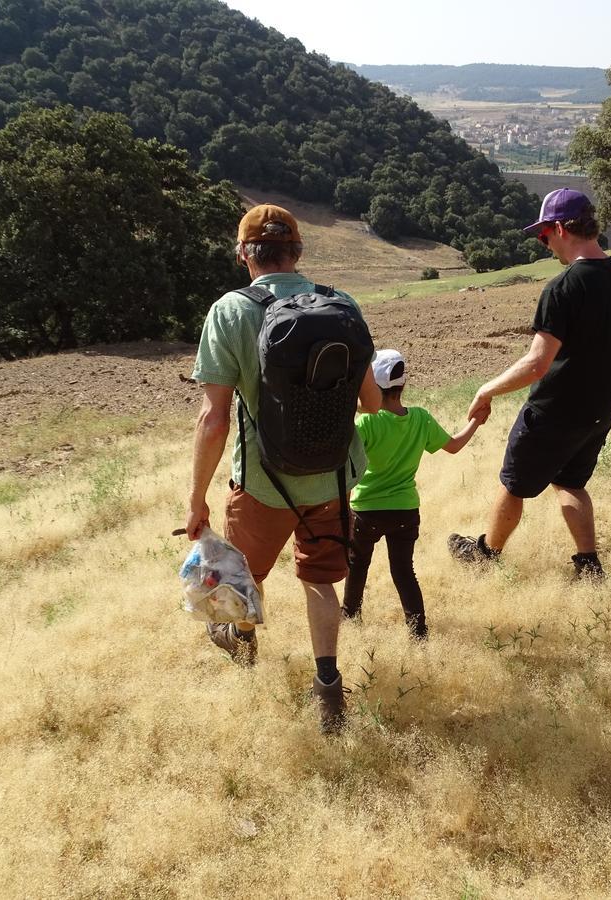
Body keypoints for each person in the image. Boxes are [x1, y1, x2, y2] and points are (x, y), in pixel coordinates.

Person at [185, 203, 381, 733]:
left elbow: (213, 420)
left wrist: (197, 498)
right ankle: (328, 688)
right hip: (335, 480)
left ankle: (242, 639)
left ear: (244, 253)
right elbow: (372, 404)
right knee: (320, 582)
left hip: (263, 485)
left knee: (245, 575)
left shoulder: (229, 311)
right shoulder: (342, 304)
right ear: (297, 251)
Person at [448, 189, 611, 579]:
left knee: (513, 484)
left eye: (544, 235)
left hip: (553, 411)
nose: (546, 243)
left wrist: (486, 389)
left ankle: (486, 555)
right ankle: (589, 565)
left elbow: (537, 363)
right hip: (599, 410)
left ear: (559, 228)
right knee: (571, 482)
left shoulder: (563, 288)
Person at [342, 350, 481, 639]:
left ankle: (351, 617)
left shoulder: (366, 424)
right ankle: (418, 631)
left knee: (357, 568)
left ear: (372, 387)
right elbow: (454, 446)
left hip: (366, 511)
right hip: (405, 511)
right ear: (402, 386)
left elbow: (345, 469)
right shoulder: (420, 419)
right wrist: (476, 422)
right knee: (404, 572)